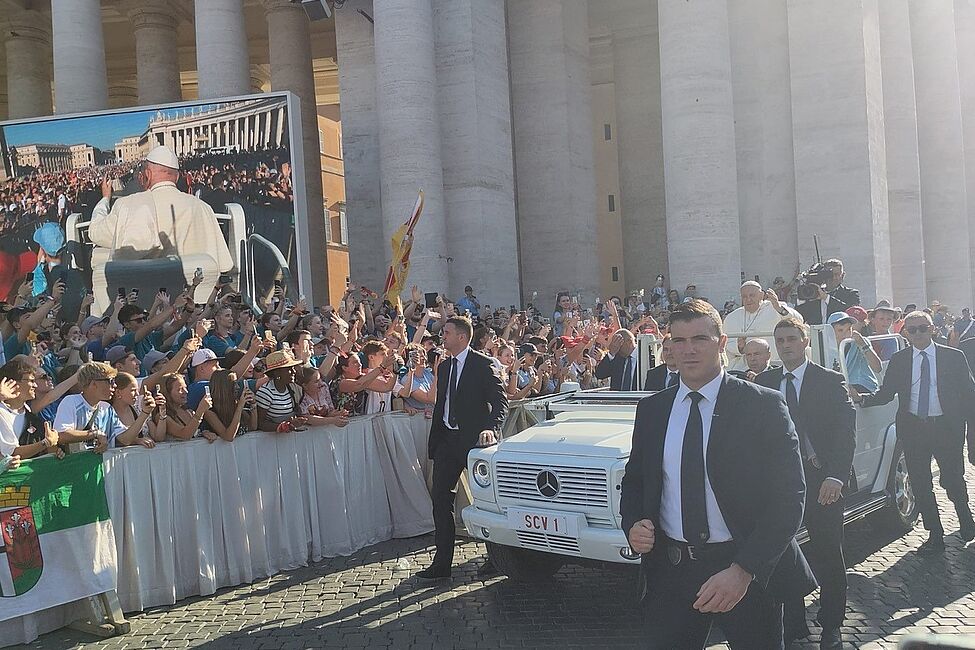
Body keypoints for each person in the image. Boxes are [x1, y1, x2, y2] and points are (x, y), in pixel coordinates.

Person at [619, 300, 814, 649]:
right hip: (671, 571)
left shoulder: (762, 405)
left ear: (722, 343)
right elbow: (635, 482)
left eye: (700, 339)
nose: (688, 350)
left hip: (745, 573)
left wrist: (744, 570)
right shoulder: (652, 410)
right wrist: (633, 523)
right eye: (678, 341)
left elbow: (790, 497)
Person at [757, 318, 856, 649]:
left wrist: (836, 476)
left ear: (804, 342)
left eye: (790, 339)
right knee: (782, 552)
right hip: (780, 485)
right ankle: (793, 621)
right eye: (779, 340)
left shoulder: (829, 381)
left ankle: (831, 624)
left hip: (823, 481)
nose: (785, 345)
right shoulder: (765, 382)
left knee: (828, 552)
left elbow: (845, 434)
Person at [853, 310, 975, 555]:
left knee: (953, 479)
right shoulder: (900, 360)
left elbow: (969, 395)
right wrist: (862, 400)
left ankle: (966, 521)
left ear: (932, 329)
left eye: (922, 328)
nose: (918, 333)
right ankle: (935, 533)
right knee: (920, 483)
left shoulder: (953, 357)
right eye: (912, 329)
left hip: (946, 428)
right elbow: (887, 393)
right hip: (913, 429)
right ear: (905, 333)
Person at [88, 146, 234, 311]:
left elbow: (95, 232)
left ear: (147, 174)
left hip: (138, 312)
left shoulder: (126, 206)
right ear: (177, 176)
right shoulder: (203, 208)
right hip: (193, 312)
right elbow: (223, 266)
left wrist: (105, 200)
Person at [417, 316, 507, 582]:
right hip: (447, 441)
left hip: (475, 442)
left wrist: (491, 428)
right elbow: (442, 402)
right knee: (441, 500)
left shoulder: (483, 364)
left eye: (446, 332)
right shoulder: (444, 367)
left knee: (487, 501)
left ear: (461, 337)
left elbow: (500, 402)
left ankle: (495, 558)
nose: (441, 336)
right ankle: (442, 563)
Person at [52, 361, 149, 449]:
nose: (115, 385)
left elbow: (125, 439)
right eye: (111, 381)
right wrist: (94, 434)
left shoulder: (107, 408)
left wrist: (145, 413)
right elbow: (61, 435)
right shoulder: (71, 402)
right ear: (94, 384)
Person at [722, 281, 798, 372]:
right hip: (743, 367)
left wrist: (778, 307)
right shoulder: (732, 317)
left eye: (752, 295)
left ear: (761, 295)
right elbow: (726, 343)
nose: (748, 299)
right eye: (745, 297)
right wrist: (740, 348)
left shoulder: (775, 307)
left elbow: (797, 321)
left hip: (774, 363)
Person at [255, 350, 308, 431]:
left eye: (293, 368)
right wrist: (284, 427)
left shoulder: (293, 389)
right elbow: (260, 424)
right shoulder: (265, 393)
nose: (294, 371)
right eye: (289, 369)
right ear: (277, 373)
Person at [827, 311, 881, 393]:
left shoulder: (861, 342)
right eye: (840, 330)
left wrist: (863, 345)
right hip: (840, 389)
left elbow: (878, 368)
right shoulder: (824, 346)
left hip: (864, 387)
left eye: (849, 329)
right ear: (830, 332)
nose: (846, 334)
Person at [202, 369, 257, 441]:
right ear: (223, 387)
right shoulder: (210, 411)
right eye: (233, 384)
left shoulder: (235, 404)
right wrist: (240, 407)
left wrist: (253, 404)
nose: (238, 387)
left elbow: (253, 427)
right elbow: (228, 436)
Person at [110, 372, 162, 447]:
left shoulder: (137, 409)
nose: (137, 394)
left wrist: (162, 411)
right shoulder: (108, 413)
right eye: (133, 390)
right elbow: (123, 440)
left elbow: (158, 437)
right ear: (118, 392)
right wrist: (136, 440)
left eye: (137, 390)